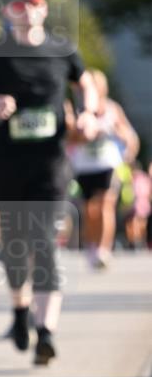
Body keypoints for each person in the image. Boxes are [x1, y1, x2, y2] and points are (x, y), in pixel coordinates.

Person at [0, 0, 98, 365]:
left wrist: (86, 114)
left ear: (44, 8)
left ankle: (46, 330)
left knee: (46, 245)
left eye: (32, 2)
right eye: (16, 5)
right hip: (7, 166)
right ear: (7, 12)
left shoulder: (62, 50)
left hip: (51, 166)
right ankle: (19, 311)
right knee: (15, 251)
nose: (26, 10)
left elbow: (86, 85)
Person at [67, 68, 139, 268]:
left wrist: (121, 141)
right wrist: (82, 133)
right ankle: (92, 245)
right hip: (84, 167)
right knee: (90, 210)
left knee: (106, 205)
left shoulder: (112, 109)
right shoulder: (77, 110)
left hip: (107, 164)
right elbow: (69, 140)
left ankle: (103, 249)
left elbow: (129, 137)